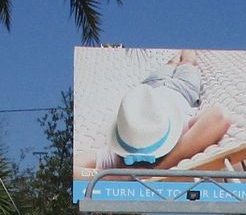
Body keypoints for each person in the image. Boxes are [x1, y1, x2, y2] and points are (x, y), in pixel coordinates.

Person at [79, 50, 230, 173]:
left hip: (150, 88)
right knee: (187, 62)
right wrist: (162, 167)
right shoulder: (178, 135)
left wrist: (114, 177)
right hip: (183, 88)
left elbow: (73, 167)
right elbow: (220, 117)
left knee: (174, 62)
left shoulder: (117, 157)